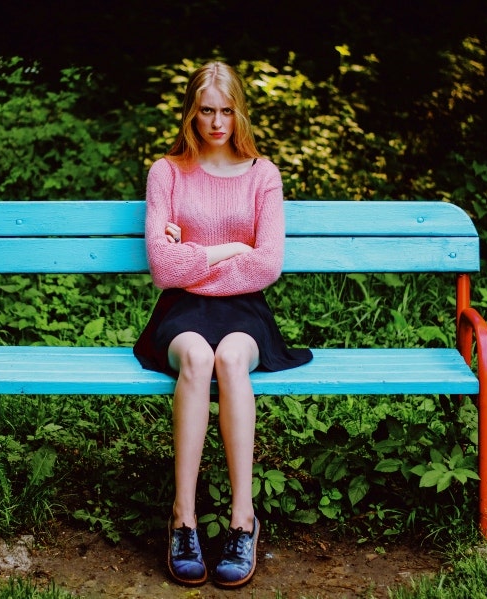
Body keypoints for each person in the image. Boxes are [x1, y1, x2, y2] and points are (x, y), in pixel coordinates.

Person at [133, 61, 313, 588]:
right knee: (196, 356)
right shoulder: (166, 172)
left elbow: (268, 264)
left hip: (245, 312)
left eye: (226, 111)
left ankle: (242, 519)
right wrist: (230, 248)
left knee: (231, 357)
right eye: (206, 110)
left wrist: (193, 257)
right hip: (180, 311)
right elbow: (162, 270)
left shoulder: (263, 174)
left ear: (240, 113)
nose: (216, 122)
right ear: (191, 112)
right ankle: (182, 519)